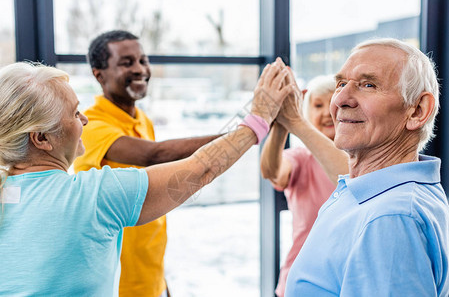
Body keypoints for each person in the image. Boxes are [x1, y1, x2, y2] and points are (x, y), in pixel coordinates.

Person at [0, 60, 292, 295]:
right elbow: (201, 169)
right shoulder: (93, 196)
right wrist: (258, 119)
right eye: (75, 114)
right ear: (41, 138)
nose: (84, 120)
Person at [284, 38, 449, 296]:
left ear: (417, 111)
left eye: (368, 85)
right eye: (341, 83)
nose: (340, 99)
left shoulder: (390, 218)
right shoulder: (372, 195)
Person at [73, 30, 220, 297]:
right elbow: (154, 155)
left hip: (151, 280)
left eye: (143, 60)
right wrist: (245, 132)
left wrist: (161, 284)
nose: (140, 69)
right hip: (115, 285)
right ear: (99, 74)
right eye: (127, 62)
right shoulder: (89, 124)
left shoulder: (142, 119)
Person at [260, 73, 348, 297]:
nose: (325, 113)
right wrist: (282, 126)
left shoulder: (363, 161)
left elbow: (350, 176)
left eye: (332, 104)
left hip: (347, 281)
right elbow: (272, 171)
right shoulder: (300, 157)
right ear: (307, 113)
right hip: (302, 282)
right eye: (317, 105)